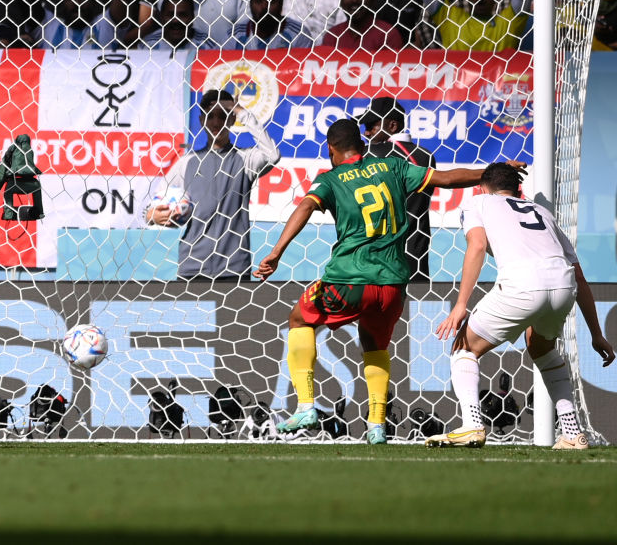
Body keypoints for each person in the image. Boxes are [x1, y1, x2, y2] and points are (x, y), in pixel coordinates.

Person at [253, 119, 500, 444]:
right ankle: (376, 426)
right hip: (393, 286)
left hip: (349, 280)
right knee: (375, 346)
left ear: (331, 148)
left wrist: (276, 252)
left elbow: (305, 206)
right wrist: (491, 174)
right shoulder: (394, 167)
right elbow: (447, 179)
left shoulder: (331, 178)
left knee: (299, 319)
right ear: (362, 144)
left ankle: (306, 405)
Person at [425, 163, 615, 449]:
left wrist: (461, 304)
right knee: (541, 348)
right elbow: (579, 276)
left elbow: (476, 245)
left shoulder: (478, 202)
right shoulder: (543, 212)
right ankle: (572, 433)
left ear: (481, 187)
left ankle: (472, 425)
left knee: (464, 348)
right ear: (518, 190)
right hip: (563, 286)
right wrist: (596, 334)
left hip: (523, 285)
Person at [147, 90, 280, 280]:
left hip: (233, 268)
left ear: (233, 119)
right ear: (202, 120)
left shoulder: (246, 159)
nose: (216, 123)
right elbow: (156, 202)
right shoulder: (187, 163)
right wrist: (151, 215)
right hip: (192, 268)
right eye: (210, 116)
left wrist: (241, 112)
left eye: (223, 116)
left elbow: (272, 155)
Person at [358, 97, 436, 283]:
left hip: (376, 260)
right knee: (412, 311)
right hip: (414, 256)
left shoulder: (369, 155)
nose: (366, 132)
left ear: (392, 125)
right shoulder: (425, 156)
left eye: (371, 125)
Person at [322, 0, 403, 51]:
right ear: (340, 1)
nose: (354, 0)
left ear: (373, 0)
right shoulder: (332, 36)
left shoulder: (387, 35)